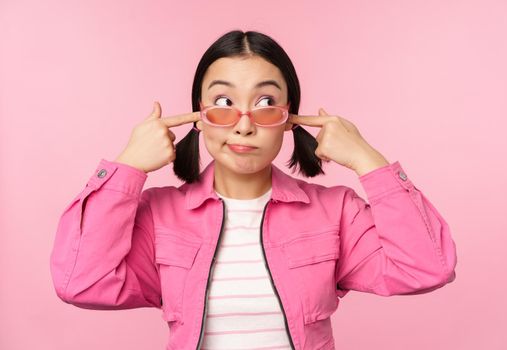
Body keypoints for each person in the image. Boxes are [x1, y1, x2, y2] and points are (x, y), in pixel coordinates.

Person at [50, 29, 457, 350]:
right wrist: (128, 166)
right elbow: (81, 282)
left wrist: (368, 159)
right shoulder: (159, 215)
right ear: (199, 117)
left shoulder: (335, 211)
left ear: (290, 118)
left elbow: (426, 268)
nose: (244, 124)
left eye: (265, 102)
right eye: (223, 101)